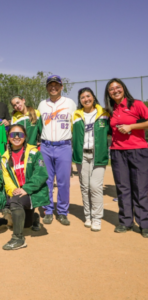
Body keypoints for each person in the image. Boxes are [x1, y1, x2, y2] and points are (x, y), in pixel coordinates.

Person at [105, 78, 148, 238]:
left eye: (118, 87)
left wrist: (132, 126)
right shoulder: (111, 109)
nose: (115, 90)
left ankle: (144, 224)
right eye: (111, 89)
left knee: (141, 189)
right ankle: (125, 222)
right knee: (123, 189)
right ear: (108, 93)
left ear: (123, 89)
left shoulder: (136, 104)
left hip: (138, 151)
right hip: (117, 152)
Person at [1, 124, 50, 250]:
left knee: (15, 202)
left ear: (25, 137)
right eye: (13, 134)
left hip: (32, 192)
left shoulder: (34, 152)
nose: (16, 137)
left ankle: (18, 238)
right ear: (8, 137)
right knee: (26, 224)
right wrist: (14, 190)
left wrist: (26, 189)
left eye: (20, 134)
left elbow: (41, 174)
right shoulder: (5, 157)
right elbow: (6, 179)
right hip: (19, 193)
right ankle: (33, 217)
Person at [37, 75, 76, 226]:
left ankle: (62, 212)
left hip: (64, 146)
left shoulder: (70, 103)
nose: (53, 87)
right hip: (45, 146)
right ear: (47, 87)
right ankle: (48, 211)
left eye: (56, 85)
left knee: (63, 182)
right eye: (50, 85)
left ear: (61, 87)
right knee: (46, 180)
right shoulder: (42, 104)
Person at [72, 88, 110, 232]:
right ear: (80, 100)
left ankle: (97, 218)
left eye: (88, 96)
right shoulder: (76, 115)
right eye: (82, 97)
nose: (86, 99)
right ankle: (87, 216)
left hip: (98, 155)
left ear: (93, 97)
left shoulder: (104, 114)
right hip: (82, 156)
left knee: (95, 186)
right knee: (85, 186)